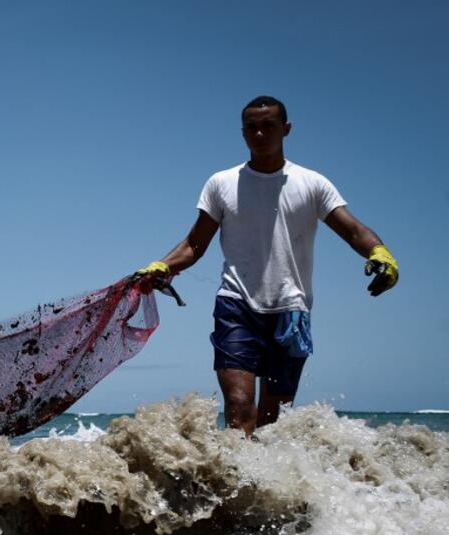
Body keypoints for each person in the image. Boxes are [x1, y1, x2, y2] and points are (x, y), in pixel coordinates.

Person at [136, 95, 398, 435]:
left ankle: (261, 486)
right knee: (239, 406)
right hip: (236, 305)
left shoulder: (312, 183)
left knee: (271, 424)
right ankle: (236, 485)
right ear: (243, 133)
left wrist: (380, 253)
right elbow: (193, 245)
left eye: (268, 127)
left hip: (291, 311)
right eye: (252, 128)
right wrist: (162, 266)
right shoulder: (222, 183)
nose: (260, 135)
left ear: (286, 129)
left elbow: (353, 230)